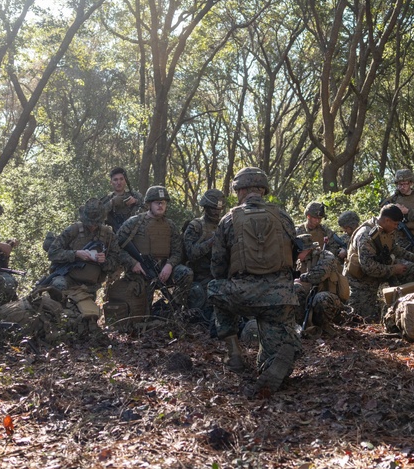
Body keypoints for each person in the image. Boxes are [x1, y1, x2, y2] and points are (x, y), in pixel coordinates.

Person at [209, 167, 301, 395]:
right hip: (280, 298)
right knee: (274, 337)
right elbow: (295, 258)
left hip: (242, 295)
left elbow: (217, 267)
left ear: (239, 191)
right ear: (263, 190)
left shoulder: (228, 220)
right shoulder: (284, 217)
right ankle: (278, 358)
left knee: (214, 288)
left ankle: (235, 356)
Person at [344, 204, 414, 321]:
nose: (396, 227)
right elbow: (368, 267)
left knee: (409, 268)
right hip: (361, 279)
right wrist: (393, 269)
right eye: (395, 224)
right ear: (387, 220)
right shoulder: (365, 235)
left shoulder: (385, 229)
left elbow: (393, 248)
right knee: (363, 318)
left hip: (381, 267)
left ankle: (405, 305)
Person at [112, 186, 185, 312]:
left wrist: (170, 265)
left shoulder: (170, 225)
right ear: (149, 204)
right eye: (157, 203)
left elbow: (178, 252)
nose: (161, 206)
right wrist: (132, 263)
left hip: (163, 271)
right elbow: (115, 247)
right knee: (144, 313)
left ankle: (175, 309)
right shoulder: (134, 222)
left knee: (185, 273)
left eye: (163, 203)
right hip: (141, 272)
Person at [44, 199, 118, 323]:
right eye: (90, 222)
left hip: (90, 285)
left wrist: (104, 261)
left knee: (87, 318)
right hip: (67, 278)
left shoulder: (108, 235)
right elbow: (53, 252)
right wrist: (75, 254)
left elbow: (115, 261)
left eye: (96, 223)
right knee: (57, 287)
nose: (93, 226)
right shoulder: (73, 230)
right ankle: (55, 321)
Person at [181, 189, 226, 317]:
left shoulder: (225, 225)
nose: (217, 211)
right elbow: (191, 253)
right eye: (213, 208)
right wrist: (212, 242)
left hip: (221, 276)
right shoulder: (196, 226)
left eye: (219, 209)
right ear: (205, 207)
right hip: (201, 276)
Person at [294, 236, 349, 338]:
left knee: (321, 298)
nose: (296, 255)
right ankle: (302, 325)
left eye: (298, 252)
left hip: (330, 300)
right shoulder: (300, 261)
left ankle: (324, 326)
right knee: (294, 289)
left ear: (307, 249)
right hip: (308, 299)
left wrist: (302, 278)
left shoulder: (326, 256)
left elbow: (319, 274)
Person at [380, 169, 414, 256]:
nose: (402, 187)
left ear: (411, 183)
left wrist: (407, 212)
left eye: (405, 184)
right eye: (400, 184)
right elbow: (383, 217)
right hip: (396, 240)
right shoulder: (393, 199)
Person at [100, 167, 144, 231]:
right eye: (115, 180)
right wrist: (111, 203)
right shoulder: (106, 199)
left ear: (125, 181)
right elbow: (96, 216)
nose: (119, 182)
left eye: (121, 179)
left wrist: (135, 201)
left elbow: (148, 209)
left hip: (133, 235)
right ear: (111, 182)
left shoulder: (135, 196)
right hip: (111, 236)